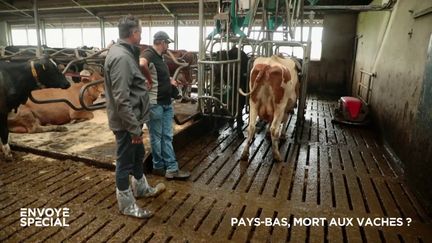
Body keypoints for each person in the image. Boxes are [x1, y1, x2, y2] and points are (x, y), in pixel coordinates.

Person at [104, 15, 165, 219]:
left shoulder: (125, 52)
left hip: (133, 119)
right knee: (124, 161)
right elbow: (121, 99)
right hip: (125, 123)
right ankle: (126, 204)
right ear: (134, 33)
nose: (141, 34)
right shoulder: (121, 57)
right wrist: (133, 129)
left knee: (138, 154)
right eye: (140, 30)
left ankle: (141, 188)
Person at [140, 31, 190, 180]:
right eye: (167, 43)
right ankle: (171, 168)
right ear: (161, 42)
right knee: (161, 137)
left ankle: (159, 167)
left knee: (163, 136)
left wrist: (169, 80)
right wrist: (148, 80)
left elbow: (158, 74)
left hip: (165, 102)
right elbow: (141, 64)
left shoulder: (160, 57)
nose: (168, 46)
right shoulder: (149, 53)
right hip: (155, 103)